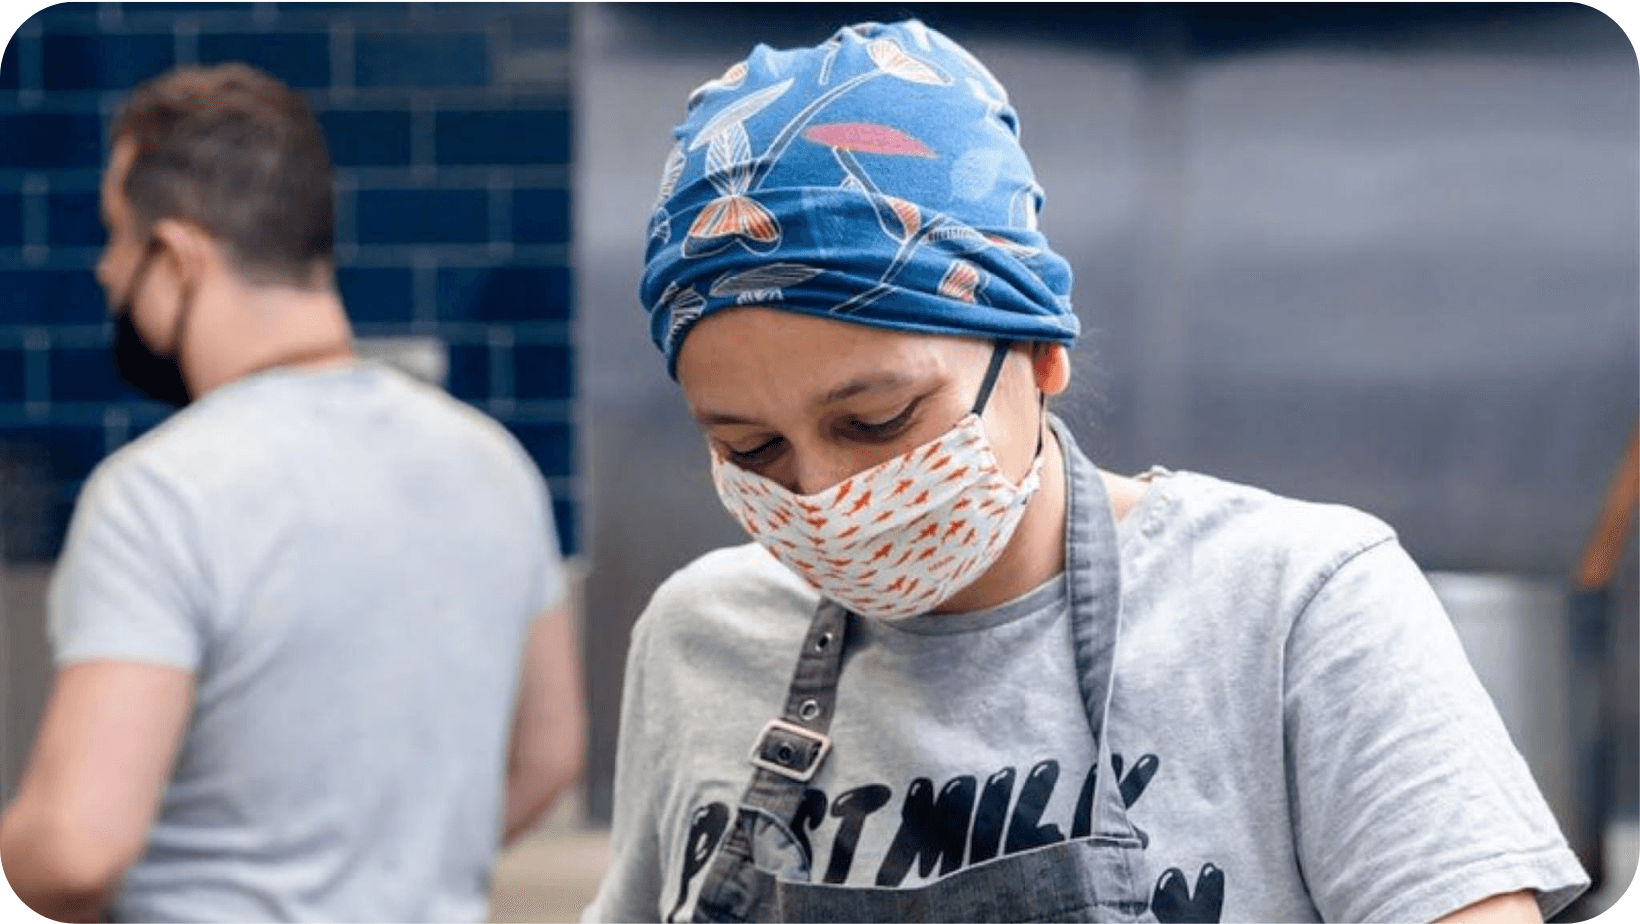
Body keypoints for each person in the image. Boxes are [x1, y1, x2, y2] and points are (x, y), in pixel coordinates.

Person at [584, 20, 1589, 924]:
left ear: (1037, 354)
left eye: (877, 419)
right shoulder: (695, 640)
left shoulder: (1293, 611)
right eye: (747, 447)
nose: (820, 496)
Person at [0, 64, 585, 922]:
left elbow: (76, 848)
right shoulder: (493, 462)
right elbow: (548, 759)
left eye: (116, 237)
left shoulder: (159, 493)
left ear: (177, 254)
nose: (104, 272)